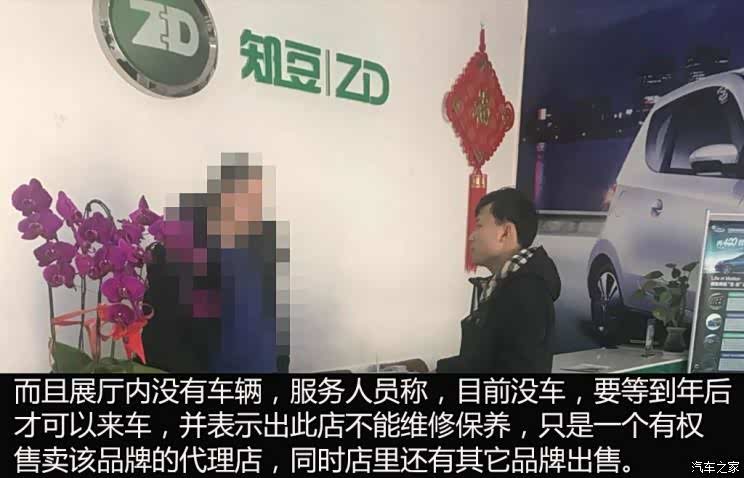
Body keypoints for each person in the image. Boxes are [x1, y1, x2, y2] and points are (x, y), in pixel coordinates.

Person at [142, 155, 290, 372]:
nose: (252, 210)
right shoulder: (176, 251)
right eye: (242, 198)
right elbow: (161, 335)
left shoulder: (266, 246)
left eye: (257, 201)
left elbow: (275, 322)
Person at [436, 187, 561, 373]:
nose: (471, 236)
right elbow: (484, 359)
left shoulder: (527, 292)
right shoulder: (508, 284)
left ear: (506, 232)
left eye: (479, 226)